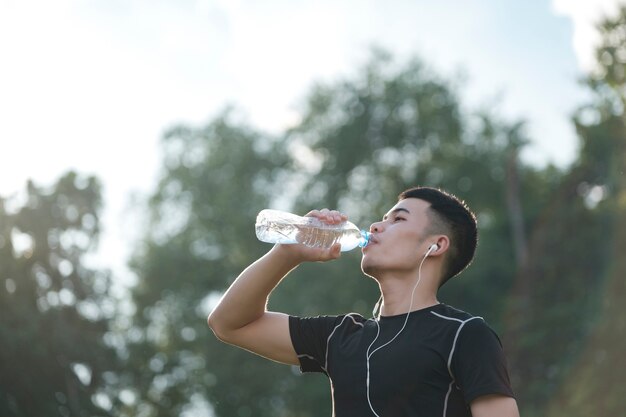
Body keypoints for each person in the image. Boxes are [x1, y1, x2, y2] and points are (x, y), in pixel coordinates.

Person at [208, 186, 520, 417]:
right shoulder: (340, 337)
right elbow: (229, 323)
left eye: (397, 219)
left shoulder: (464, 334)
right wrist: (287, 252)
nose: (375, 226)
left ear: (435, 245)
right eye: (381, 218)